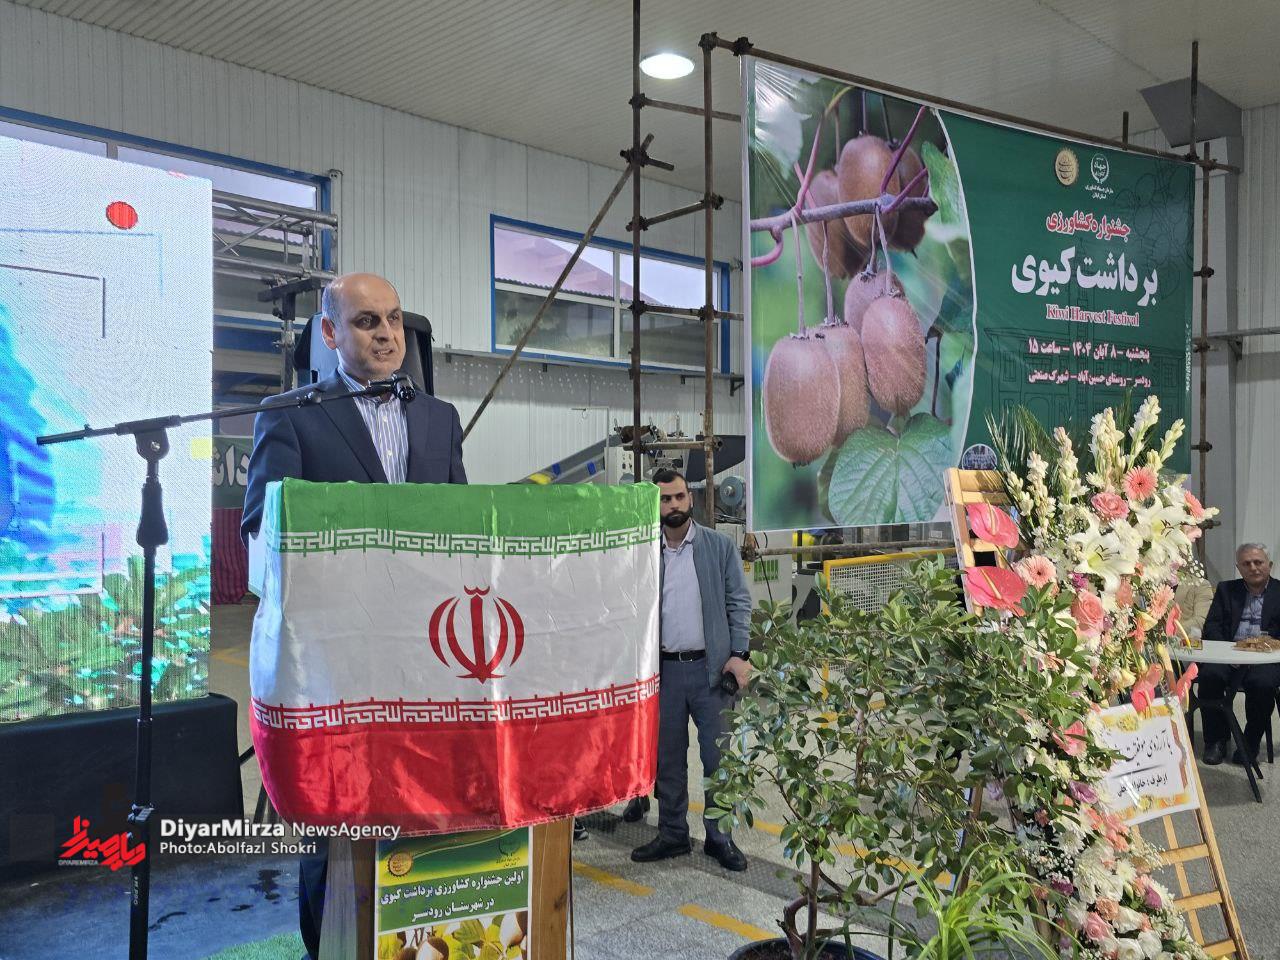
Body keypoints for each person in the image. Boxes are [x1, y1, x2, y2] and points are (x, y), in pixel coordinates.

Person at [241, 272, 466, 960]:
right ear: (330, 333)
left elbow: (461, 531)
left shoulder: (439, 418)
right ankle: (327, 946)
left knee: (418, 814)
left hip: (426, 661)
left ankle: (411, 936)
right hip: (334, 669)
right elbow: (263, 532)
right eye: (368, 321)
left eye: (394, 319)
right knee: (335, 825)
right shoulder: (291, 415)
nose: (388, 334)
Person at [630, 468, 752, 872]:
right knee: (668, 759)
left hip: (710, 671)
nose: (673, 505)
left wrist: (740, 654)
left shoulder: (719, 547)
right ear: (655, 506)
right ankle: (672, 834)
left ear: (691, 499)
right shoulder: (644, 553)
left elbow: (739, 602)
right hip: (664, 673)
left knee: (718, 760)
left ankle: (720, 838)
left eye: (679, 497)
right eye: (665, 499)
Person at [1196, 543, 1280, 766]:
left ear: (1269, 565)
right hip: (1229, 654)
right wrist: (1228, 652)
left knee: (1263, 683)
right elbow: (1212, 627)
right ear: (1238, 568)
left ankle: (1249, 744)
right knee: (1209, 676)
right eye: (1246, 563)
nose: (1253, 567)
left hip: (1264, 659)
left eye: (1258, 562)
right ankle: (1216, 741)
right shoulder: (1226, 589)